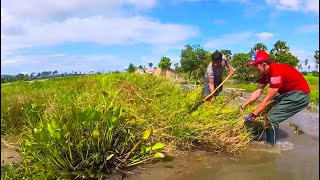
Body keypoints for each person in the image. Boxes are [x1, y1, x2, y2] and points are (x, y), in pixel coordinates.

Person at [241, 50, 310, 145]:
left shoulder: (276, 72)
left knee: (271, 119)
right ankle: (256, 138)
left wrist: (252, 115)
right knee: (262, 114)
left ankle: (270, 146)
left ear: (264, 64)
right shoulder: (265, 74)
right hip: (286, 96)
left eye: (256, 66)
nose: (255, 68)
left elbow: (267, 99)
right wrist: (243, 105)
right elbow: (257, 92)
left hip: (299, 96)